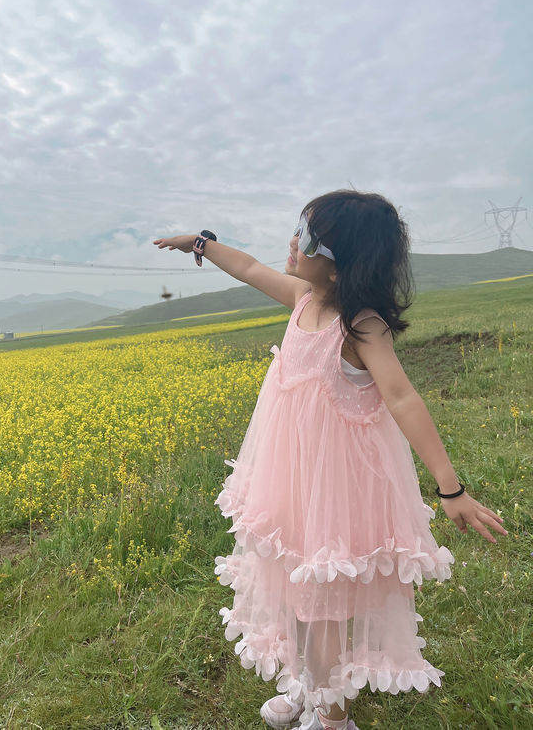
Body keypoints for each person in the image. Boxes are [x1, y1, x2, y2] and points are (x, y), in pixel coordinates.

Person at [153, 190, 507, 730]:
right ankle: (308, 684)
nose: (294, 242)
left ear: (344, 265)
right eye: (299, 227)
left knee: (324, 606)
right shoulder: (301, 298)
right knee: (294, 591)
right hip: (291, 479)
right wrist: (201, 245)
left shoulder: (360, 326)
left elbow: (403, 398)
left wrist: (450, 486)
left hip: (336, 488)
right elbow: (248, 266)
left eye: (309, 236)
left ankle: (334, 716)